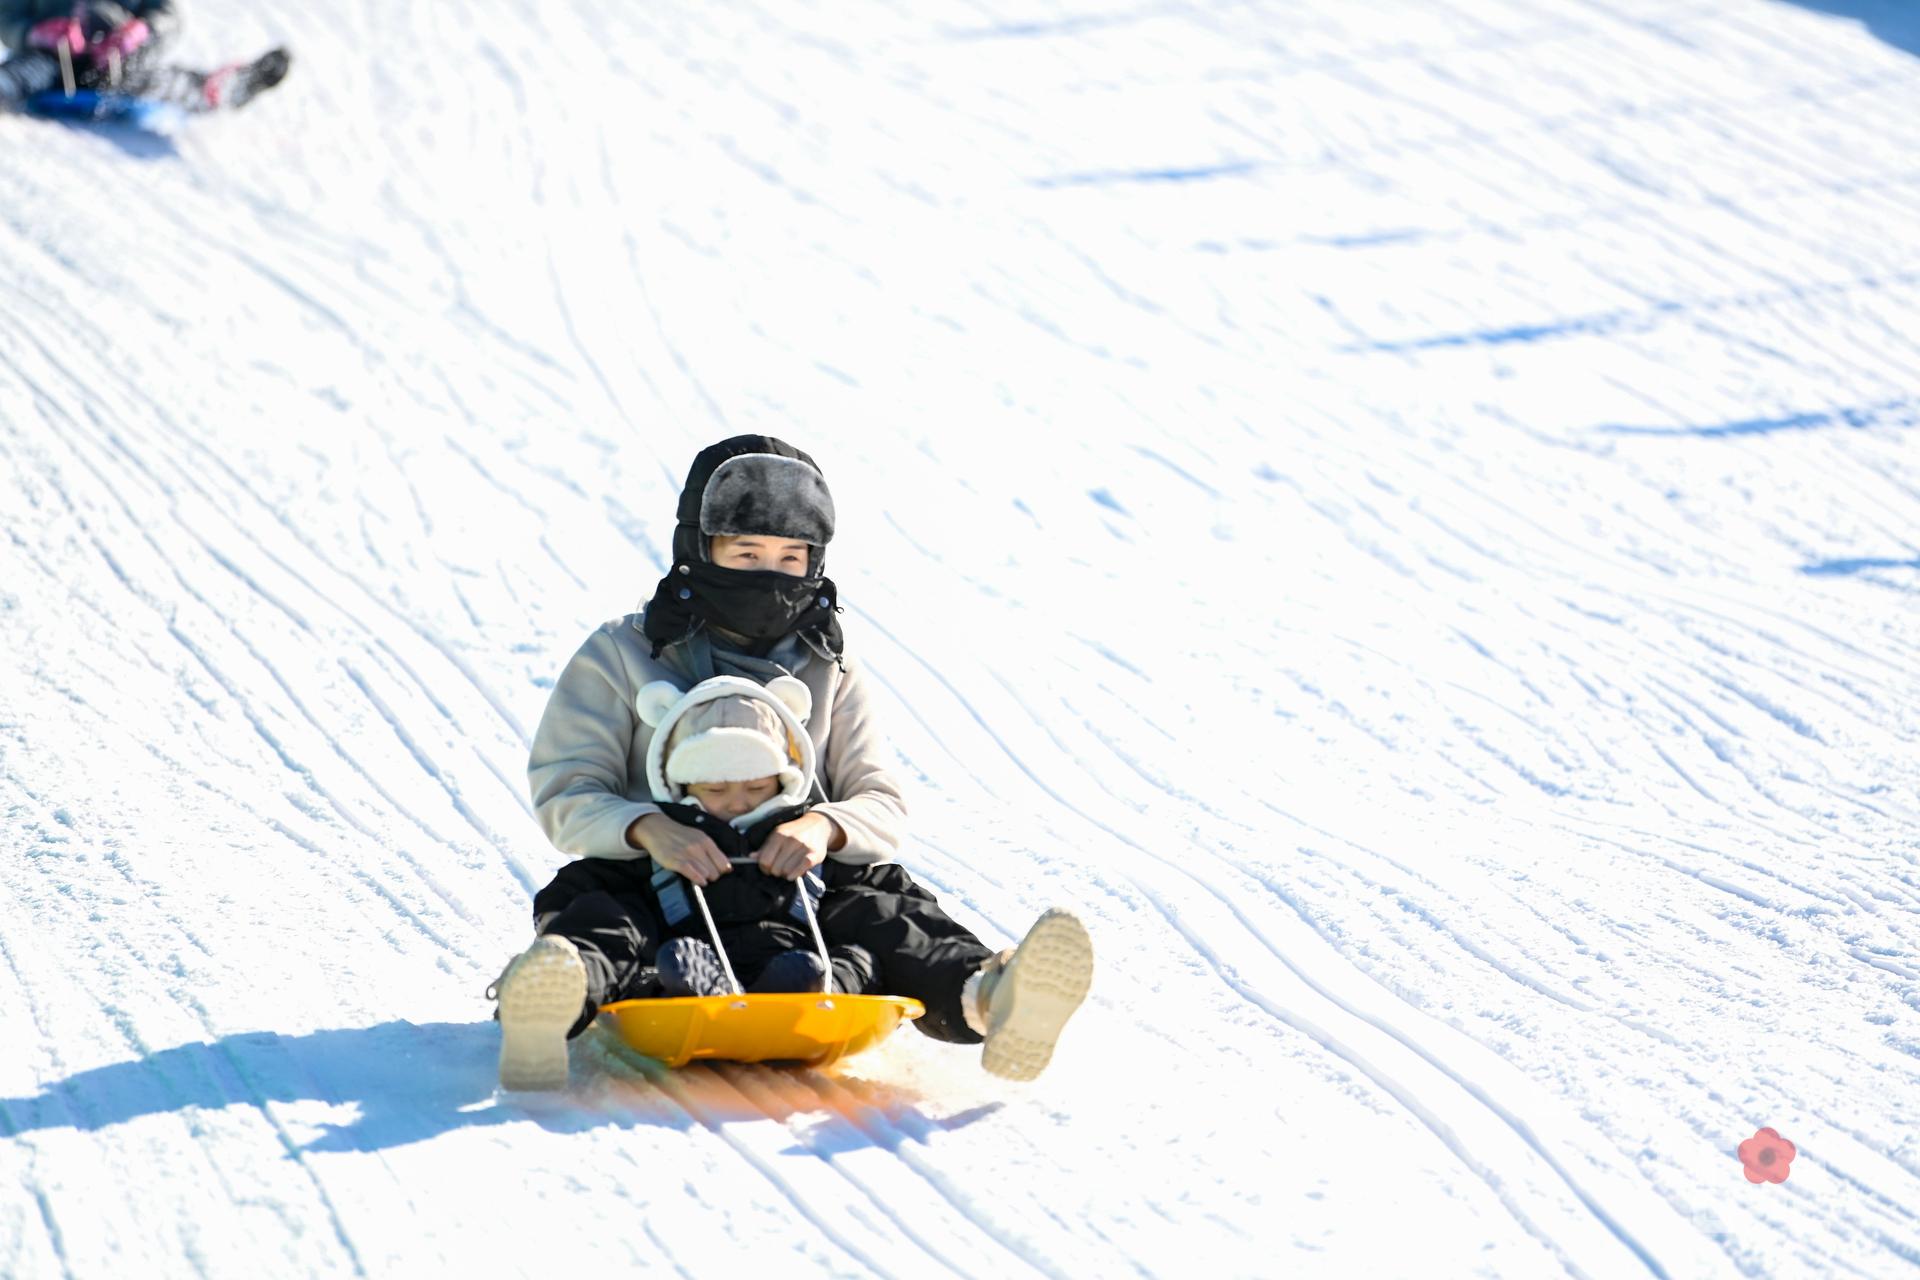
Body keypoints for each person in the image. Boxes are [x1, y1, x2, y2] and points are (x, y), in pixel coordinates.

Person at [491, 435, 1094, 1088]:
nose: (769, 576)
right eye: (746, 554)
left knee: (882, 903)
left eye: (790, 557)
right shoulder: (622, 655)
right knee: (602, 909)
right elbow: (566, 789)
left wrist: (822, 828)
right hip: (660, 883)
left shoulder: (827, 662)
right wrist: (646, 829)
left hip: (792, 891)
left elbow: (879, 799)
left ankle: (988, 996)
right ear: (701, 548)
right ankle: (556, 997)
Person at [493, 673, 886, 1091]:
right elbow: (580, 888)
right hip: (687, 975)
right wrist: (560, 929)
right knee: (614, 925)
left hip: (798, 968)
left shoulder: (804, 838)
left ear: (785, 779)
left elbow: (893, 905)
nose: (738, 801)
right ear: (679, 784)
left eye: (757, 786)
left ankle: (958, 987)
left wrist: (825, 828)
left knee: (870, 931)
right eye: (715, 788)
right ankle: (562, 987)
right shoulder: (661, 841)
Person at [0, 1, 288, 114]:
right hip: (51, 56)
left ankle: (222, 90)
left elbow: (168, 15)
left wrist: (140, 31)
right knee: (23, 73)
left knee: (151, 78)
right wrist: (33, 32)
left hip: (114, 61)